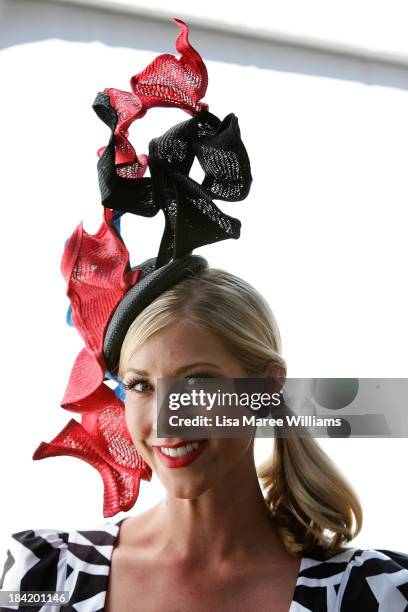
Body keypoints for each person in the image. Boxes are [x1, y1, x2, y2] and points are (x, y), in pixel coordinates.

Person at [1, 18, 408, 612]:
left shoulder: (376, 593)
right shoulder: (41, 573)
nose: (166, 420)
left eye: (198, 383)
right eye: (141, 385)